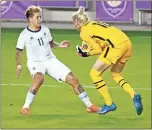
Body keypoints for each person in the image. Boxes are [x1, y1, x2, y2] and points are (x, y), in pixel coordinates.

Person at [16, 5, 100, 115]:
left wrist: (60, 45)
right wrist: (19, 65)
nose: (39, 19)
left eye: (40, 17)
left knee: (73, 79)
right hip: (35, 63)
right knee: (39, 78)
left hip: (51, 60)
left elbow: (50, 43)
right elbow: (18, 51)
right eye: (37, 17)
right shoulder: (24, 34)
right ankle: (25, 107)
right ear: (30, 19)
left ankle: (89, 106)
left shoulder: (45, 30)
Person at [72, 6, 143, 115]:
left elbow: (98, 49)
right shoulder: (94, 24)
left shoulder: (83, 32)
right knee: (115, 74)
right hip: (127, 42)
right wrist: (86, 50)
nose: (74, 25)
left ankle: (109, 104)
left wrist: (86, 54)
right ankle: (133, 94)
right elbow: (102, 41)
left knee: (94, 73)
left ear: (77, 22)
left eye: (74, 23)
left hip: (116, 46)